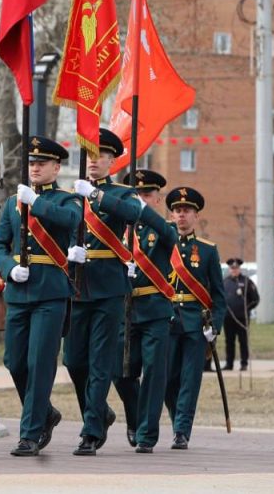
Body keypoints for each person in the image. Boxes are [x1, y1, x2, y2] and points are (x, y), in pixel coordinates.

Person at [0, 136, 81, 457]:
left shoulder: (66, 199)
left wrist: (37, 204)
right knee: (14, 361)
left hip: (50, 293)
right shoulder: (12, 204)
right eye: (31, 163)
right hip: (19, 290)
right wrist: (8, 268)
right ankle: (45, 414)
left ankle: (29, 434)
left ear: (56, 167)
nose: (35, 167)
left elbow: (72, 221)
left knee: (40, 363)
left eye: (42, 163)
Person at [65, 128, 142, 456]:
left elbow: (134, 215)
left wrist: (95, 196)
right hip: (77, 284)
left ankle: (91, 431)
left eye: (100, 156)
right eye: (90, 155)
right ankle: (100, 413)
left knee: (99, 362)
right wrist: (70, 250)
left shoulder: (122, 194)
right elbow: (63, 229)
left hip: (109, 287)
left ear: (112, 160)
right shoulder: (72, 196)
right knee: (73, 361)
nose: (93, 162)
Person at [110, 170, 177, 454]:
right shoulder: (119, 229)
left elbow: (169, 235)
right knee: (120, 372)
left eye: (147, 195)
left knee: (152, 372)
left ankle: (147, 433)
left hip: (154, 309)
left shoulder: (161, 227)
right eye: (136, 195)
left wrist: (141, 210)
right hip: (125, 309)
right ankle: (136, 418)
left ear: (158, 199)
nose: (141, 199)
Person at [163, 186, 227, 450]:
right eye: (177, 211)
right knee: (166, 379)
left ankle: (181, 431)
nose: (181, 215)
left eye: (187, 211)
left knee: (190, 379)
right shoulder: (162, 244)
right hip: (166, 320)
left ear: (196, 216)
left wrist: (216, 326)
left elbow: (219, 296)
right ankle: (177, 419)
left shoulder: (208, 251)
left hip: (196, 323)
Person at [223, 257, 259, 371]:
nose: (234, 270)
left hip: (242, 318)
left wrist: (246, 308)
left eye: (236, 268)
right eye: (232, 268)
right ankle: (229, 364)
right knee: (229, 341)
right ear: (229, 269)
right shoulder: (225, 282)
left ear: (239, 268)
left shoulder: (246, 281)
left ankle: (244, 363)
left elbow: (255, 299)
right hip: (228, 317)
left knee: (243, 341)